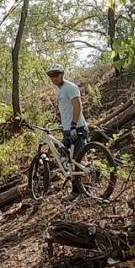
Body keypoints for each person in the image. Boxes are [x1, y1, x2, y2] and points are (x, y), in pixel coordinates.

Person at [47, 64, 88, 201]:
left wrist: (74, 125)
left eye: (56, 75)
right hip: (67, 129)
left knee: (77, 160)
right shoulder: (60, 90)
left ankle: (83, 191)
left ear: (62, 74)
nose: (54, 78)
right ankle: (80, 190)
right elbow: (65, 111)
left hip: (77, 128)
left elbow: (78, 106)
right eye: (51, 76)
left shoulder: (70, 87)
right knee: (71, 160)